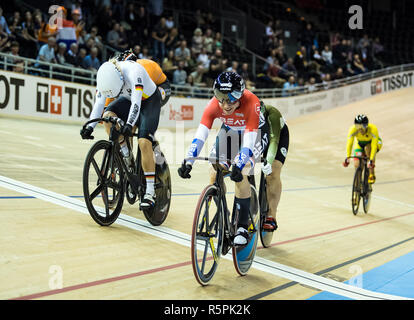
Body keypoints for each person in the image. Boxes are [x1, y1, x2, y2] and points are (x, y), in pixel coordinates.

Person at [178, 71, 261, 246]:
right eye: (221, 97)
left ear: (240, 94)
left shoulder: (252, 102)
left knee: (242, 172)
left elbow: (249, 140)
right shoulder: (213, 105)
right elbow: (200, 135)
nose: (226, 103)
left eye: (231, 97)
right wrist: (188, 160)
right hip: (229, 132)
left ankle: (242, 227)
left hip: (251, 134)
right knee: (214, 172)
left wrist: (238, 164)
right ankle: (224, 213)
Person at [80, 51, 170, 208]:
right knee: (108, 116)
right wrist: (89, 126)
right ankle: (127, 155)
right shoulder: (105, 75)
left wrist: (129, 125)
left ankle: (149, 192)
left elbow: (136, 104)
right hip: (127, 99)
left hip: (149, 101)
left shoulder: (134, 72)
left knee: (143, 141)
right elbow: (99, 105)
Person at [257, 101, 289, 231]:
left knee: (273, 173)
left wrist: (269, 162)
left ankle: (272, 215)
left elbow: (274, 141)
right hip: (259, 136)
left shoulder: (273, 114)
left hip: (278, 137)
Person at [343, 115, 382, 184]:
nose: (360, 129)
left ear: (366, 125)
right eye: (357, 126)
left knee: (368, 150)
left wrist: (371, 160)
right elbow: (349, 143)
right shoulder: (352, 129)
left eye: (362, 126)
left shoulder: (373, 129)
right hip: (360, 143)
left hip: (373, 143)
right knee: (356, 164)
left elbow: (374, 146)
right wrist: (348, 157)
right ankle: (358, 185)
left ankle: (371, 174)